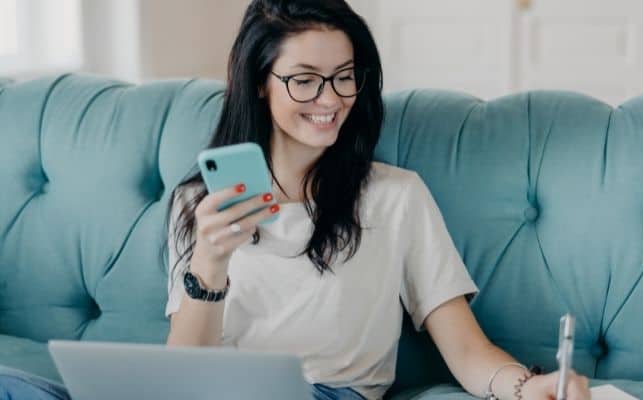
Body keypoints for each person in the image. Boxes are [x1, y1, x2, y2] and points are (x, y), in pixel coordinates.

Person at [0, 1, 591, 399]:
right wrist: (209, 265)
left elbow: (465, 347)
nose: (329, 99)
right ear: (260, 81)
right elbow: (184, 371)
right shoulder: (201, 204)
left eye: (345, 76)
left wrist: (522, 387)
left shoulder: (395, 197)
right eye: (304, 79)